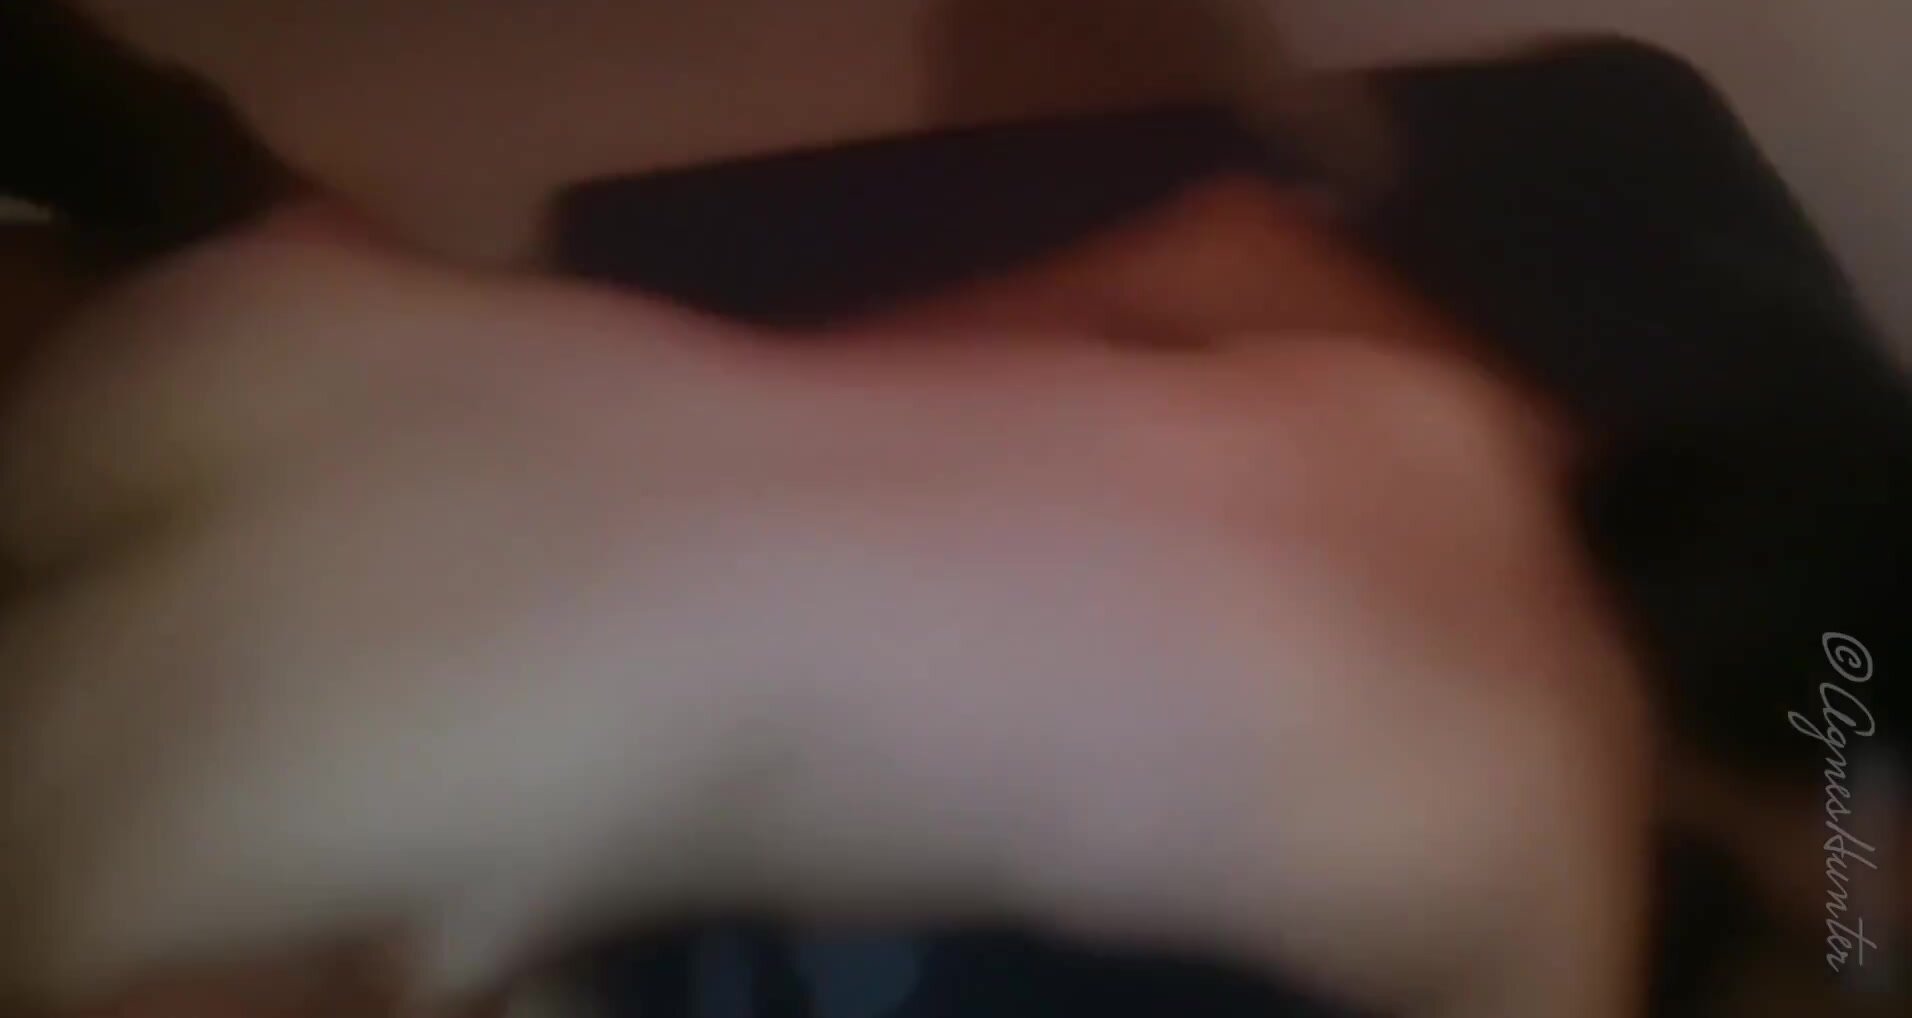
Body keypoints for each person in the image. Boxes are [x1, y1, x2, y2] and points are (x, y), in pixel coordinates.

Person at [0, 4, 1657, 1017]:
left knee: (236, 343)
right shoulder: (1562, 910)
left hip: (273, 350)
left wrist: (732, 425)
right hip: (316, 780)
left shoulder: (1487, 423)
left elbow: (1227, 241)